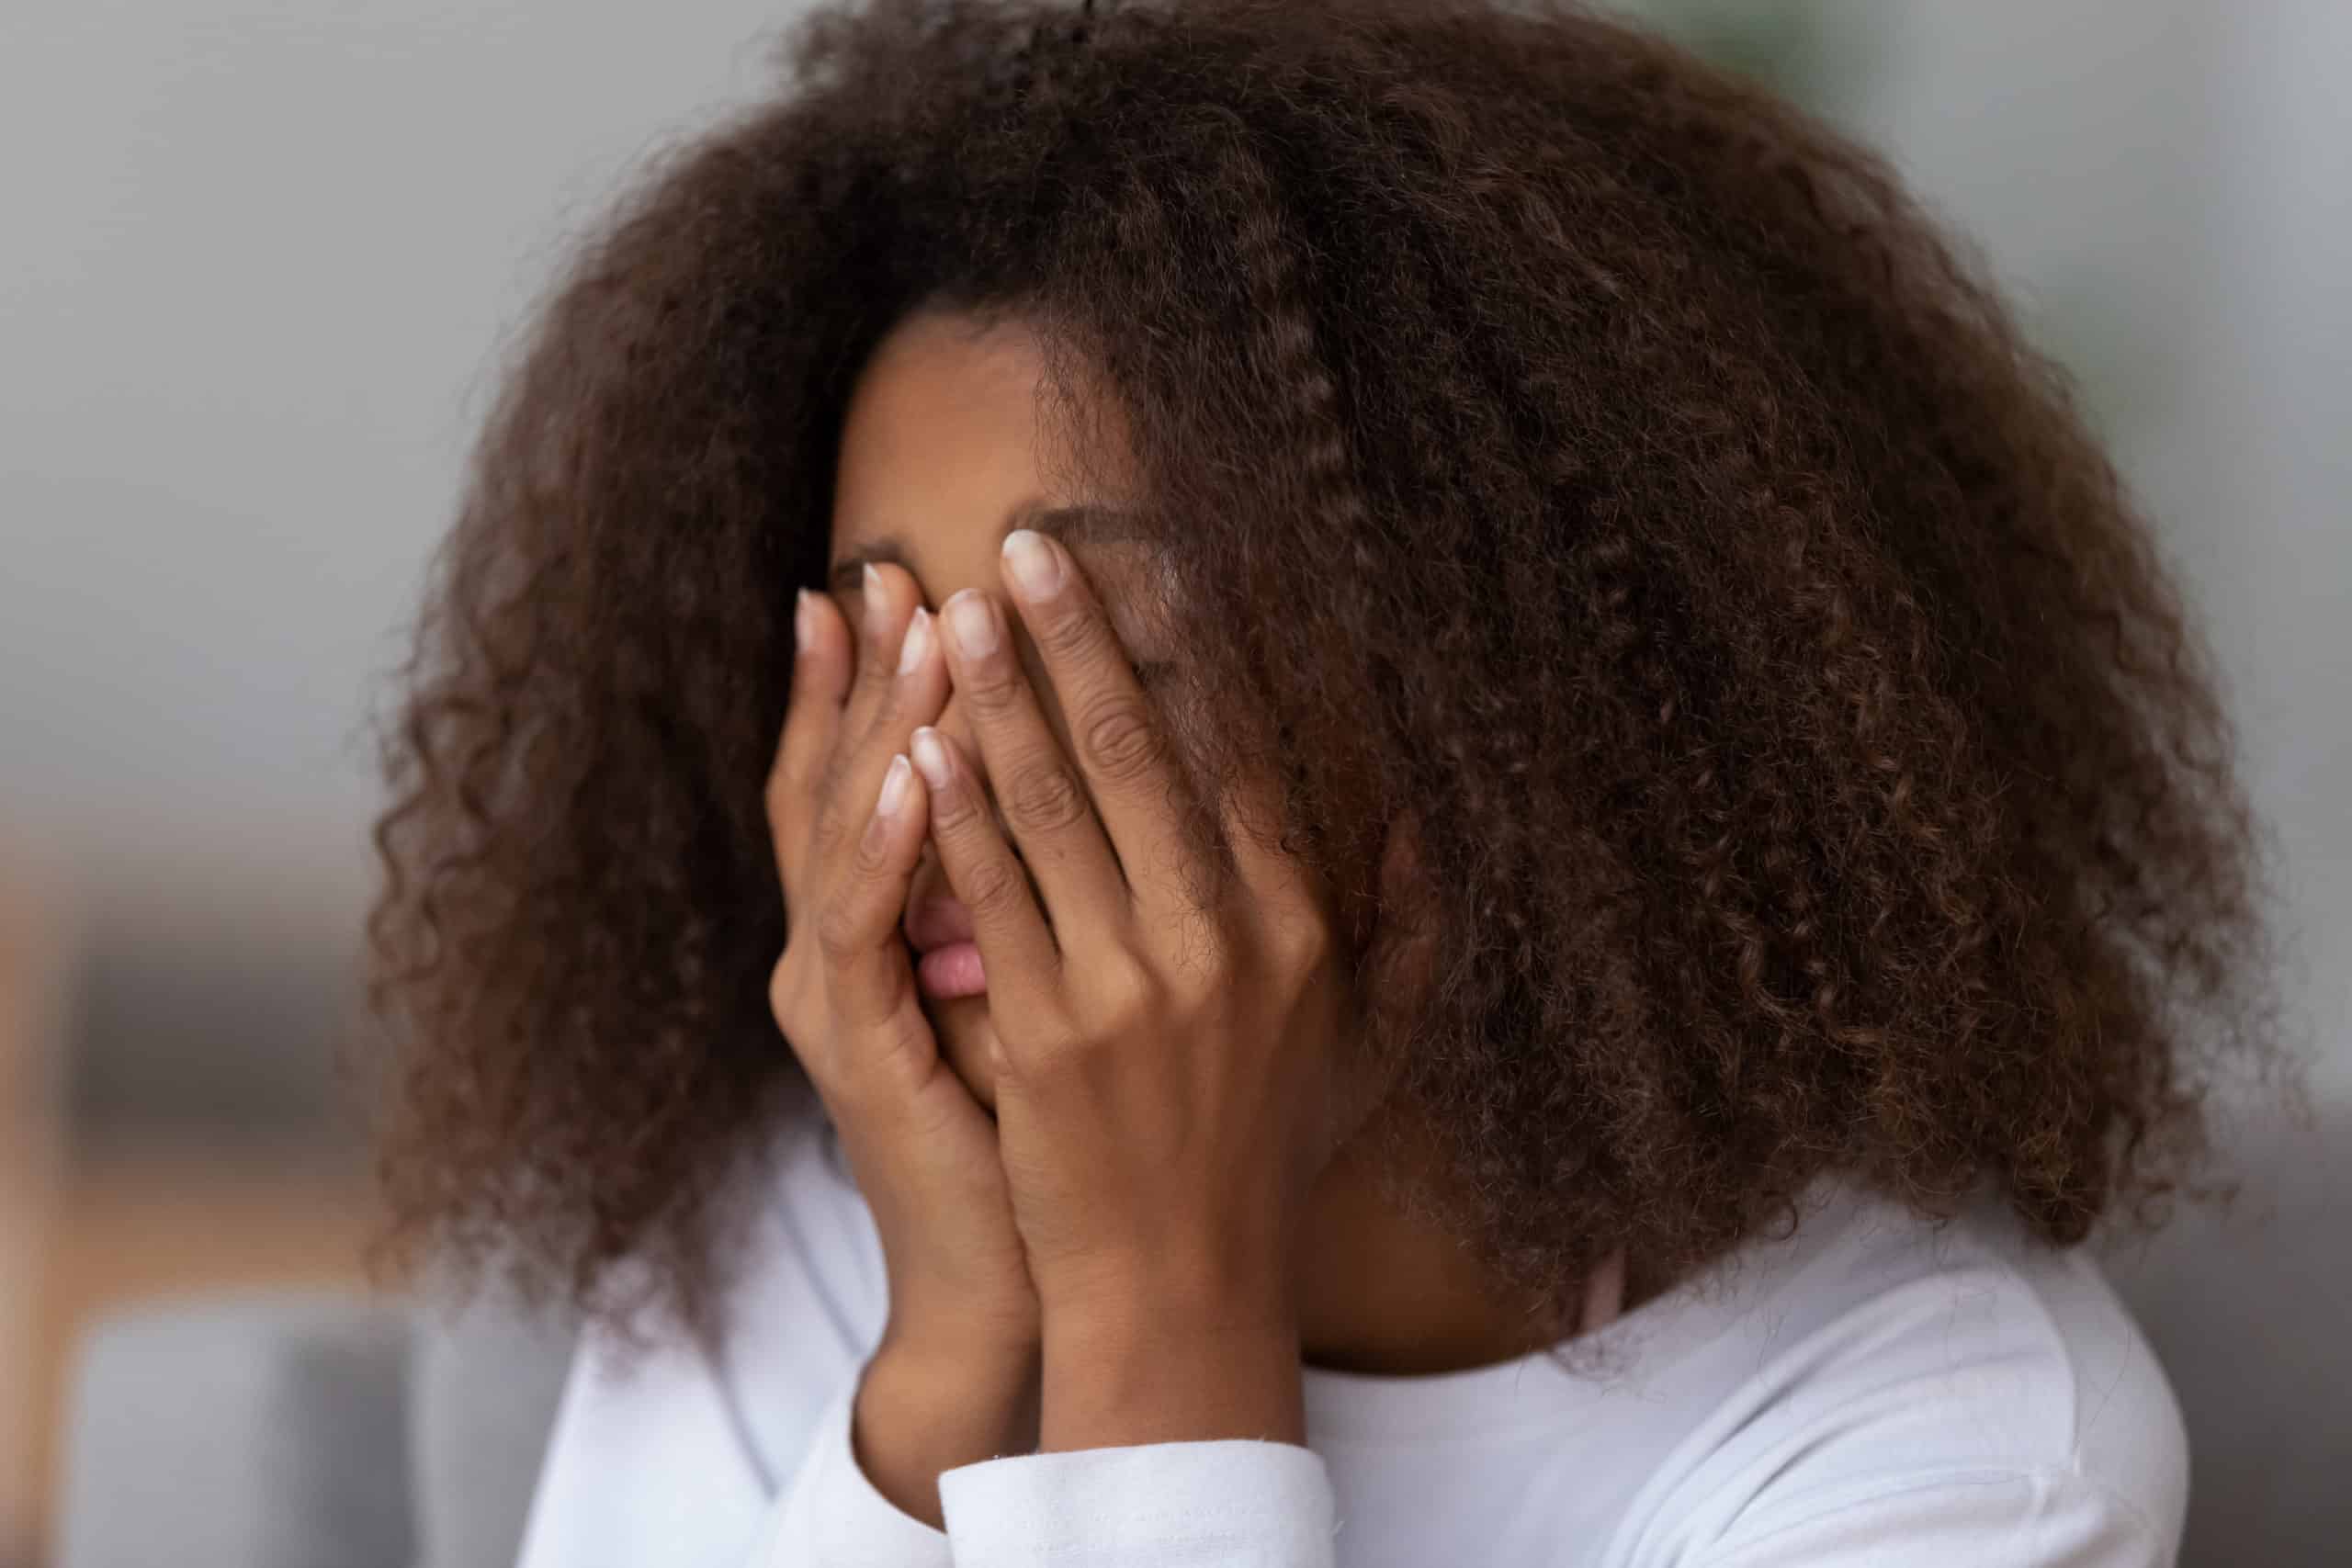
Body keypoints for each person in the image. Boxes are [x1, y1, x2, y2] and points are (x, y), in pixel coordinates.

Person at [362, 2, 2284, 1562]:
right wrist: (949, 1352)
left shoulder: (1941, 1440)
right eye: (881, 642)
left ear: (1509, 695)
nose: (941, 779)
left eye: (1096, 647)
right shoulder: (780, 1225)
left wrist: (1155, 1314)